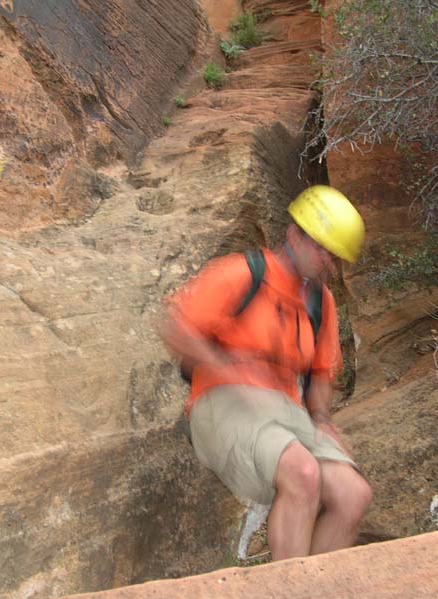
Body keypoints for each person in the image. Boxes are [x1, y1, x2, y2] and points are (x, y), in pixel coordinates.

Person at [158, 185, 372, 560]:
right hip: (223, 401)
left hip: (286, 413)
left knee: (354, 495)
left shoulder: (322, 301)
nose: (327, 261)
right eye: (320, 247)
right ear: (293, 235)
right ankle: (289, 585)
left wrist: (322, 419)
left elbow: (320, 373)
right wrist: (226, 366)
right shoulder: (241, 273)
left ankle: (313, 588)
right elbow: (173, 326)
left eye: (334, 256)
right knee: (303, 473)